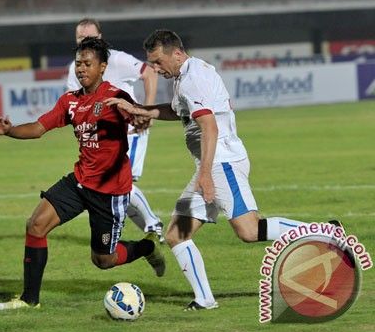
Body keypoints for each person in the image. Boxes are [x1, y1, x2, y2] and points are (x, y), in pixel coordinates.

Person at [106, 30, 337, 311]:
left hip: (220, 163)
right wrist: (142, 109)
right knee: (176, 235)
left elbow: (209, 127)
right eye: (152, 63)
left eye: (157, 61)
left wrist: (205, 175)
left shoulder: (193, 80)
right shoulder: (186, 76)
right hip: (211, 163)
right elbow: (179, 111)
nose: (155, 68)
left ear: (176, 54)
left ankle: (326, 233)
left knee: (249, 231)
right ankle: (205, 299)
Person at [0, 37, 165, 311]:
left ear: (102, 67)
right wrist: (9, 130)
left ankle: (147, 248)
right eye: (78, 64)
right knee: (36, 224)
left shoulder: (116, 97)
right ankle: (29, 300)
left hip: (109, 192)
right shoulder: (70, 101)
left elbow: (137, 116)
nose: (81, 69)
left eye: (88, 64)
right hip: (80, 181)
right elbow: (37, 128)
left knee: (103, 261)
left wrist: (140, 117)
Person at [66, 18, 163, 240]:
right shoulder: (75, 67)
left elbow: (149, 72)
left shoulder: (116, 59)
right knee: (115, 186)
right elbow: (75, 100)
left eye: (90, 37)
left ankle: (152, 223)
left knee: (121, 183)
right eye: (81, 38)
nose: (86, 41)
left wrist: (145, 110)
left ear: (100, 38)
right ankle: (147, 228)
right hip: (99, 139)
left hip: (129, 130)